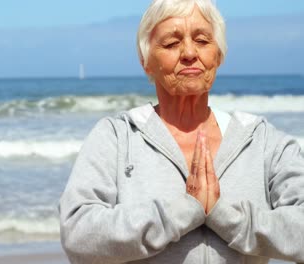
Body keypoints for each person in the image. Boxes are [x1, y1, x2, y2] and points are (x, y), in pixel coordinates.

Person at [59, 0, 304, 263]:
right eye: (171, 43)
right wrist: (184, 210)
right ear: (145, 61)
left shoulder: (261, 141)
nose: (188, 52)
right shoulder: (117, 137)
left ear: (218, 55)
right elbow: (78, 235)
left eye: (202, 40)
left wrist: (225, 215)